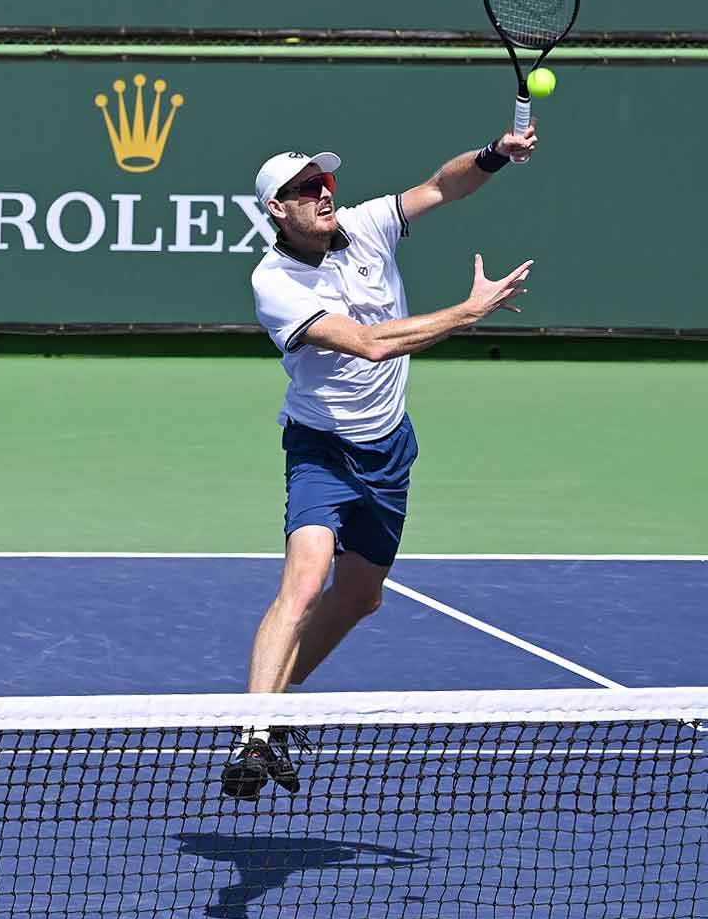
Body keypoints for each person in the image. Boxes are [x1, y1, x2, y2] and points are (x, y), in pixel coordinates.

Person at [222, 127, 538, 800]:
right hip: (322, 451)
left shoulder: (366, 224)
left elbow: (440, 186)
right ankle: (250, 735)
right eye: (306, 188)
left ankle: (281, 708)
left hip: (388, 449)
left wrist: (493, 155)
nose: (323, 192)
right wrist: (468, 313)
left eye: (325, 181)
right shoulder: (274, 281)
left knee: (362, 597)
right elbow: (367, 345)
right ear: (278, 208)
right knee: (304, 585)